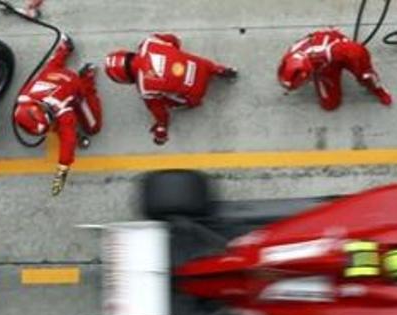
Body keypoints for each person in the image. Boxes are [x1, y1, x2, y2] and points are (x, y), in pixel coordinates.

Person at [104, 33, 237, 146]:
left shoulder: (145, 88)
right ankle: (220, 70)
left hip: (196, 93)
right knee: (198, 62)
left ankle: (192, 102)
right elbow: (174, 40)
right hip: (203, 66)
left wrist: (161, 127)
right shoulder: (150, 42)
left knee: (162, 99)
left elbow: (160, 112)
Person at [14, 35, 103, 195]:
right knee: (49, 69)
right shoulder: (25, 97)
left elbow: (68, 142)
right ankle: (64, 48)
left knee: (93, 126)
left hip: (71, 84)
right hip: (51, 76)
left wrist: (62, 172)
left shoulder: (64, 113)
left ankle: (87, 77)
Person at [278, 29, 392, 111]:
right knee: (329, 104)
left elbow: (357, 55)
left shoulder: (334, 51)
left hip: (342, 53)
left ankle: (378, 91)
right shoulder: (291, 54)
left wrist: (362, 71)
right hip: (326, 67)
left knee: (366, 75)